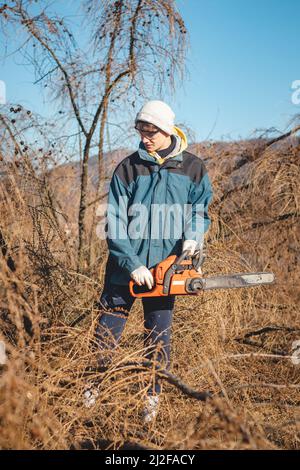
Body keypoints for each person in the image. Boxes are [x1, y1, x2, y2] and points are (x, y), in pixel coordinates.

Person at [89, 100, 213, 422]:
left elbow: (200, 211)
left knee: (158, 338)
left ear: (167, 130)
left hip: (166, 270)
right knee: (106, 333)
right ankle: (90, 390)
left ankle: (152, 397)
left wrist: (192, 238)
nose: (144, 137)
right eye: (141, 131)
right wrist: (132, 264)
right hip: (123, 272)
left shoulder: (193, 168)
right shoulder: (128, 168)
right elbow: (113, 223)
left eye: (151, 131)